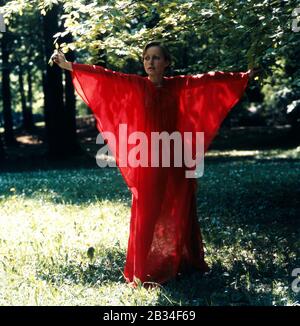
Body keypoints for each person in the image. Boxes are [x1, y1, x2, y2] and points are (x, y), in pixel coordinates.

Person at [52, 41, 255, 286]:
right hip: (148, 159)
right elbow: (107, 77)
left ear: (167, 62)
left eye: (156, 58)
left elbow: (209, 80)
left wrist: (243, 76)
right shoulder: (137, 85)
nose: (150, 62)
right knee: (147, 211)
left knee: (182, 205)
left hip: (177, 156)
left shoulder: (179, 85)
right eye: (147, 58)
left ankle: (185, 261)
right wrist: (69, 65)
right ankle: (141, 270)